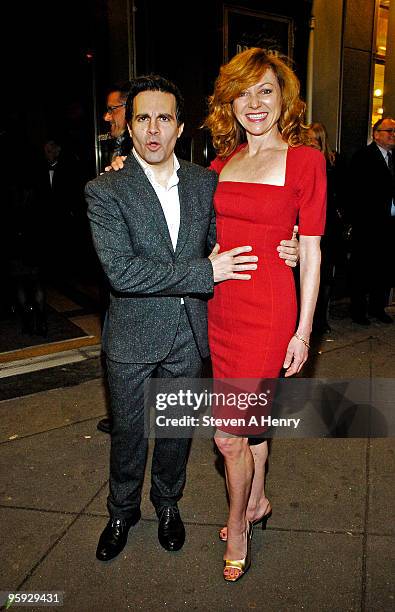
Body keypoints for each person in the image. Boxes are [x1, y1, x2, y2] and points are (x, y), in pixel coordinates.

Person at [85, 75, 299, 563]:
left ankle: (167, 505)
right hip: (132, 338)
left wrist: (287, 247)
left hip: (189, 336)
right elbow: (122, 271)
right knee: (129, 434)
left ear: (180, 127)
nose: (154, 130)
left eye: (164, 118)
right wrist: (205, 270)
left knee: (177, 435)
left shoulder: (207, 181)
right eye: (143, 118)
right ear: (129, 127)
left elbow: (235, 237)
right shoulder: (105, 189)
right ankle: (121, 511)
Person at [203, 48, 326, 582]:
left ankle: (238, 522)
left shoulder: (305, 161)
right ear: (230, 102)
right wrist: (208, 257)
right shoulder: (217, 165)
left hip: (271, 311)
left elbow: (314, 250)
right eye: (243, 92)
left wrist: (304, 331)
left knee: (227, 436)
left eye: (266, 91)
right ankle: (256, 502)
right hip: (221, 309)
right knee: (251, 431)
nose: (255, 103)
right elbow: (194, 230)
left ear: (284, 98)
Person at [97, 82, 133, 435]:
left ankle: (130, 416)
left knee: (119, 351)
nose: (107, 117)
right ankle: (126, 414)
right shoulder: (118, 152)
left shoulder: (138, 153)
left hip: (135, 274)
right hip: (117, 274)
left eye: (113, 109)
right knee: (114, 349)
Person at [349, 117, 395, 325]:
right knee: (363, 269)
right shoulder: (364, 156)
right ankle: (358, 311)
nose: (393, 135)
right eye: (389, 131)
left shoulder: (393, 158)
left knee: (384, 269)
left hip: (390, 224)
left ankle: (378, 308)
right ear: (376, 134)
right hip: (368, 225)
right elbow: (355, 192)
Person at [308, 122, 345, 333]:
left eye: (315, 138)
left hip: (329, 227)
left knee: (324, 276)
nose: (311, 142)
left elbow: (342, 192)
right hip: (309, 224)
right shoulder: (302, 159)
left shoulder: (333, 161)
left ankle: (321, 319)